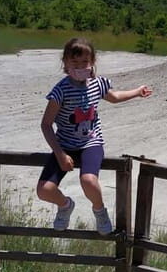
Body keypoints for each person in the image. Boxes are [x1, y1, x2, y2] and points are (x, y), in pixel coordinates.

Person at [36, 37, 152, 234]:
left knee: (89, 180)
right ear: (65, 62)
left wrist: (137, 92)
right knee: (44, 190)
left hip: (91, 141)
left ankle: (99, 211)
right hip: (64, 144)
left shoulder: (98, 84)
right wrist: (60, 154)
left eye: (85, 62)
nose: (80, 66)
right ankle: (65, 206)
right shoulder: (60, 90)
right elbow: (46, 124)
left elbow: (114, 97)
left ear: (92, 63)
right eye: (75, 62)